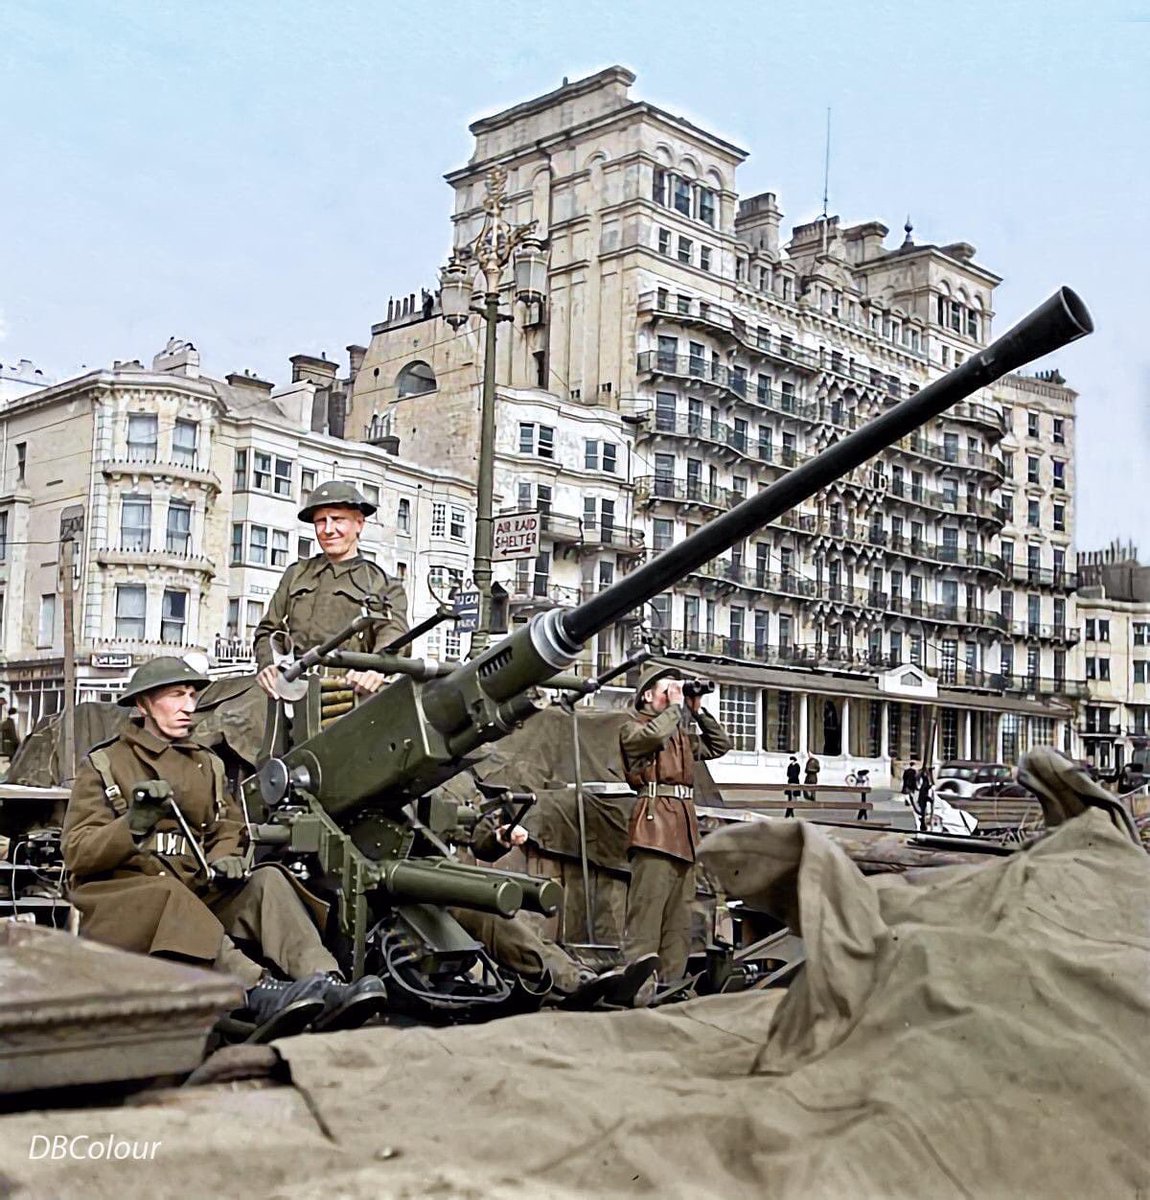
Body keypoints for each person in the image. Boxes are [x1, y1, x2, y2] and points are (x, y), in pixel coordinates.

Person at [61, 657, 386, 1029]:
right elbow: (77, 852)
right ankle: (256, 990)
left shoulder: (207, 763)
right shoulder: (105, 764)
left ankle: (327, 982)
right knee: (169, 894)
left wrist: (225, 857)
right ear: (143, 704)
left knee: (268, 882)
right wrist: (130, 826)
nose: (188, 706)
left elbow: (228, 825)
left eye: (191, 695)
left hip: (196, 891)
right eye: (175, 696)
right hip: (127, 903)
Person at [619, 664, 732, 985]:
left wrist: (697, 712)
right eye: (666, 690)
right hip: (653, 831)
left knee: (678, 924)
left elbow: (719, 745)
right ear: (646, 696)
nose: (674, 696)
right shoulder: (632, 729)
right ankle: (634, 986)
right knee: (646, 919)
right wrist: (676, 707)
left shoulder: (679, 736)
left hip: (683, 834)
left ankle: (669, 986)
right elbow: (652, 736)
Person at [253, 481, 410, 699]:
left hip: (345, 696)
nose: (328, 529)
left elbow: (393, 633)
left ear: (359, 524)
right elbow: (268, 630)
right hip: (291, 692)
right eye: (320, 521)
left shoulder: (382, 584)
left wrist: (376, 667)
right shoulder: (297, 574)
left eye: (337, 519)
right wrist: (268, 666)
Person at [0, 695, 20, 778]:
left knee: (13, 759)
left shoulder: (10, 722)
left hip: (12, 744)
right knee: (13, 759)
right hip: (10, 745)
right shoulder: (9, 722)